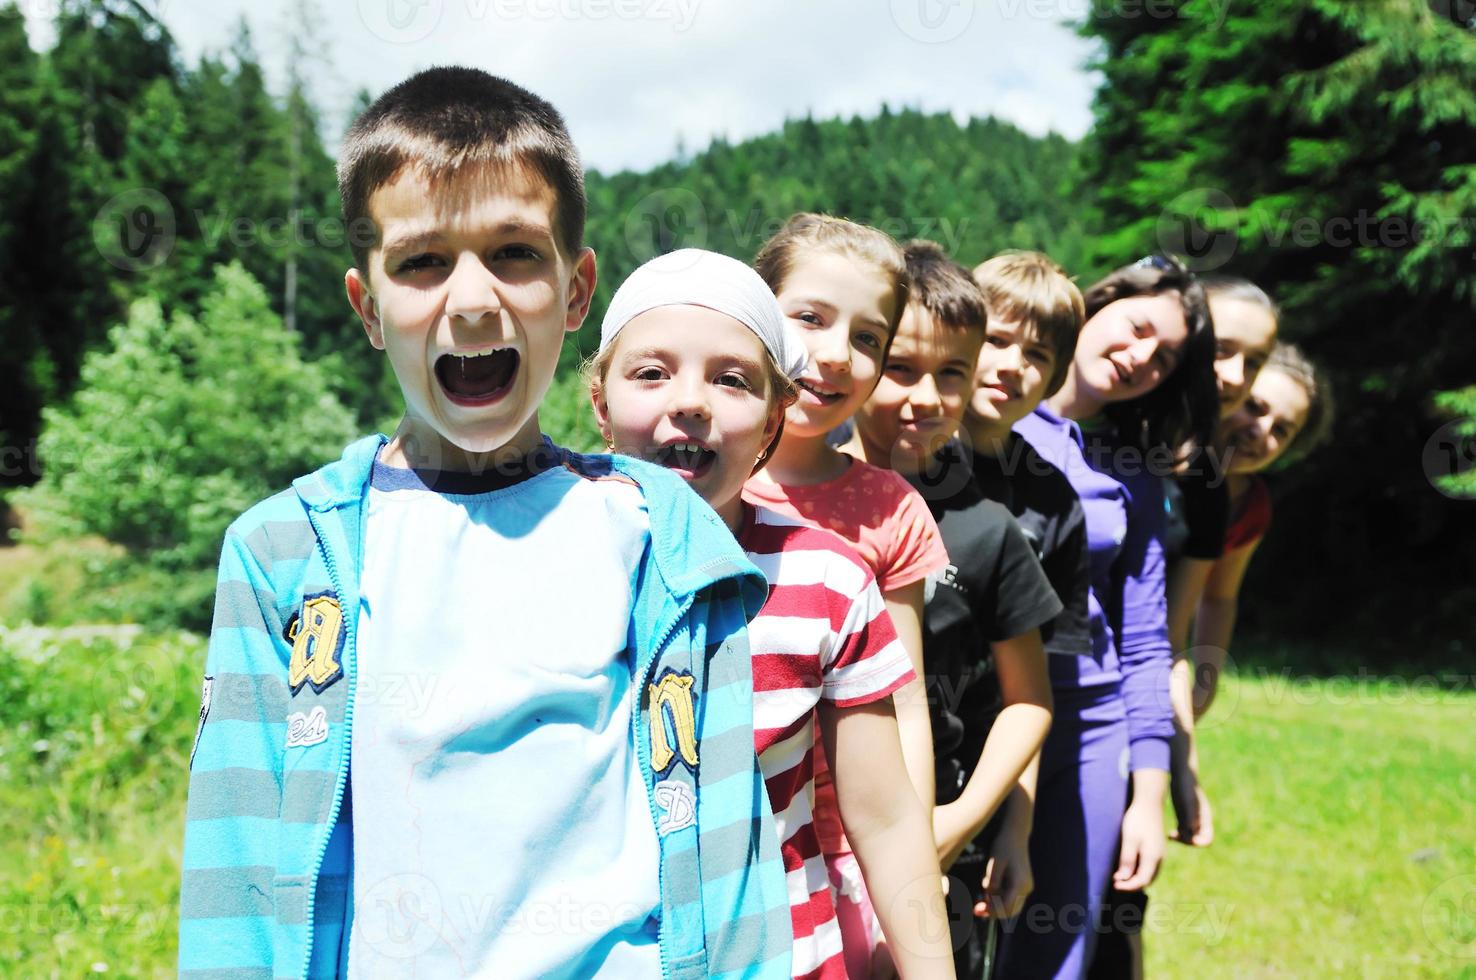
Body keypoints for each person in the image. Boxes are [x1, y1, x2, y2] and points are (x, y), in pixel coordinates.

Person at [178, 69, 792, 978]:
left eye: (514, 253)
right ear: (368, 309)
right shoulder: (282, 553)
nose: (472, 301)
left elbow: (728, 851)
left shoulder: (663, 537)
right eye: (422, 262)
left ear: (576, 291)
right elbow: (234, 873)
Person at [589, 248, 955, 979]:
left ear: (771, 424)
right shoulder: (538, 562)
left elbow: (886, 822)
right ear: (599, 403)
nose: (690, 400)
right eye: (651, 373)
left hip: (787, 955)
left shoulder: (827, 581)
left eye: (732, 380)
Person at [839, 241, 1058, 978]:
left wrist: (959, 826)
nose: (925, 399)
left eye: (951, 375)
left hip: (940, 845)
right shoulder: (778, 496)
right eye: (899, 368)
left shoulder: (989, 528)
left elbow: (1027, 702)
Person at [742, 214, 949, 974]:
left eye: (868, 339)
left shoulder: (888, 508)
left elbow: (906, 702)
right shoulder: (685, 477)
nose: (835, 355)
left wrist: (910, 866)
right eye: (809, 318)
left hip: (836, 861)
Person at [1003, 254, 1218, 978]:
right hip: (976, 712)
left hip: (1090, 727)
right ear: (1101, 302)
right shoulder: (978, 411)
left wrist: (1148, 790)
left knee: (1056, 952)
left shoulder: (1136, 469)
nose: (1139, 361)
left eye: (1163, 361)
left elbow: (1148, 637)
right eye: (1136, 330)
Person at [1163, 276, 1279, 849]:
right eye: (1222, 348)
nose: (1233, 375)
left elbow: (1178, 628)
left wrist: (1182, 755)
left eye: (1252, 363)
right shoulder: (1087, 429)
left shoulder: (1216, 493)